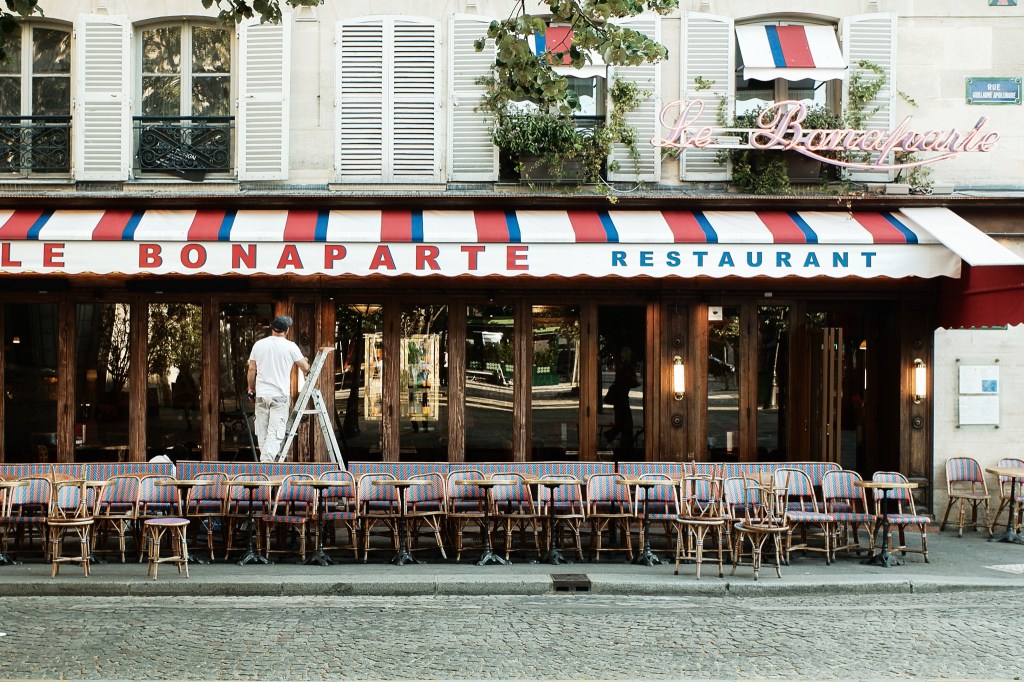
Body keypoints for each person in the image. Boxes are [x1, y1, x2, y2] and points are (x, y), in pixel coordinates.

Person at [247, 315, 310, 462]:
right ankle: (266, 466)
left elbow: (251, 370)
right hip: (279, 396)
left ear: (272, 329)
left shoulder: (259, 344)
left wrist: (251, 388)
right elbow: (305, 368)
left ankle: (265, 466)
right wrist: (306, 363)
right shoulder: (290, 346)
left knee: (262, 433)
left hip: (261, 395)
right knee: (275, 434)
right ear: (286, 330)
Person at [603, 348, 640, 456]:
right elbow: (636, 383)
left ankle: (614, 437)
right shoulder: (625, 369)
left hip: (620, 401)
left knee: (623, 424)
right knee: (626, 424)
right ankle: (624, 445)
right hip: (622, 401)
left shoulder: (622, 368)